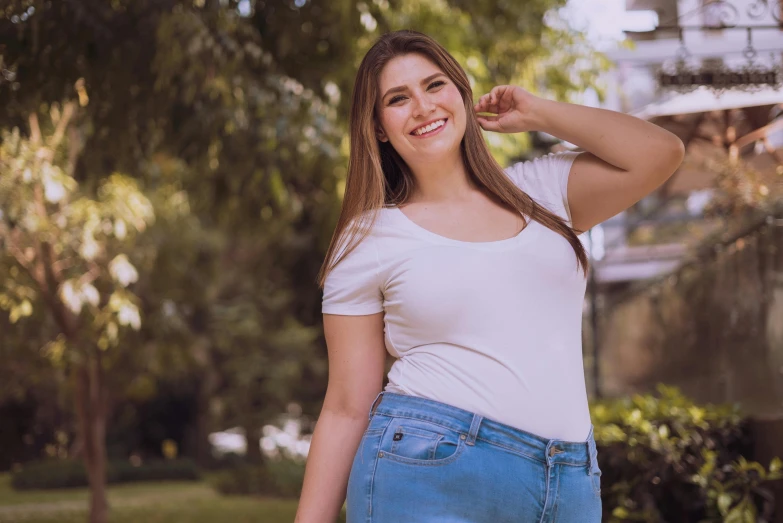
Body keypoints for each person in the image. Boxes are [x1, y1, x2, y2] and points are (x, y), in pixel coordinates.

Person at [295, 30, 684, 523]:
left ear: (460, 92)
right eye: (398, 99)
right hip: (430, 474)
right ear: (377, 127)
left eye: (435, 85)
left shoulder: (543, 191)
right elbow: (348, 405)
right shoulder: (370, 237)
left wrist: (538, 110)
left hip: (567, 480)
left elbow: (661, 152)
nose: (421, 106)